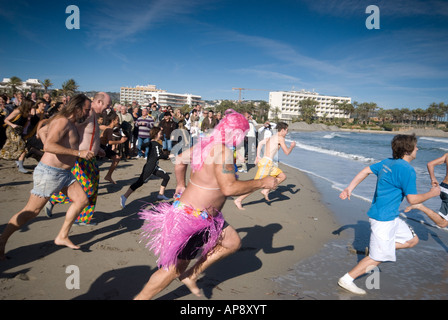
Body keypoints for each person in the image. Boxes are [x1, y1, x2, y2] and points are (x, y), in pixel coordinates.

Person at [134, 109, 278, 299]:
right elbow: (229, 188)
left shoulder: (206, 145)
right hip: (192, 218)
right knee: (172, 269)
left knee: (231, 242)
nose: (243, 138)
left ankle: (191, 275)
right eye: (242, 134)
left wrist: (180, 184)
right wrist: (263, 182)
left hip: (204, 216)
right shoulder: (223, 151)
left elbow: (179, 160)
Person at [337, 134, 440, 295]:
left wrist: (350, 188)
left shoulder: (387, 162)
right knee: (377, 257)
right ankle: (347, 279)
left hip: (390, 216)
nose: (417, 149)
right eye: (416, 146)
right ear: (408, 149)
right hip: (382, 219)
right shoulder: (408, 170)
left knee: (411, 240)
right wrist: (432, 193)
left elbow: (365, 170)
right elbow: (412, 199)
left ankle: (378, 249)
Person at [0, 94, 95, 260]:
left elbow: (43, 130)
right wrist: (77, 153)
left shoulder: (67, 122)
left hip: (65, 173)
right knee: (31, 211)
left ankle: (62, 236)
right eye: (87, 110)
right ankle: (1, 241)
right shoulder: (62, 121)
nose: (88, 114)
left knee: (82, 200)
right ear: (77, 108)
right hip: (50, 173)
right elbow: (49, 146)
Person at [45, 92, 110, 225]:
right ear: (99, 102)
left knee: (93, 188)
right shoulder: (88, 114)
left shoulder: (93, 115)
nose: (108, 108)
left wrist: (98, 149)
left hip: (90, 158)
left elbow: (90, 135)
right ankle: (54, 198)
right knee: (87, 188)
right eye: (107, 105)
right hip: (80, 158)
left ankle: (83, 219)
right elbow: (69, 126)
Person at [234, 122, 296, 210]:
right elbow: (286, 152)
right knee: (255, 185)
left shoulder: (271, 137)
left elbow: (260, 144)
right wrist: (292, 146)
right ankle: (239, 200)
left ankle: (266, 190)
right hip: (266, 164)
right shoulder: (280, 138)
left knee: (282, 176)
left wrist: (258, 156)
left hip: (268, 163)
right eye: (286, 130)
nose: (287, 132)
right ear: (282, 130)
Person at [120, 127, 171, 208]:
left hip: (153, 166)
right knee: (140, 182)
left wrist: (143, 149)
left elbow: (143, 145)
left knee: (166, 177)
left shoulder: (151, 142)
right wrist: (168, 156)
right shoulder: (156, 144)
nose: (161, 134)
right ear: (156, 134)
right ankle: (124, 196)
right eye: (160, 133)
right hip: (150, 167)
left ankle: (161, 194)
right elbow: (159, 155)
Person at [405, 153, 448, 228]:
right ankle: (420, 206)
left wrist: (433, 179)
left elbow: (430, 164)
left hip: (443, 187)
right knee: (443, 223)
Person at [0, 97, 34, 173]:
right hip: (11, 130)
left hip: (19, 131)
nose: (32, 107)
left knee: (10, 147)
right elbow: (6, 120)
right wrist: (13, 125)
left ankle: (20, 165)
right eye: (31, 105)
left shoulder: (26, 113)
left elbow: (25, 124)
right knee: (21, 145)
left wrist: (28, 119)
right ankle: (20, 165)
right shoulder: (18, 111)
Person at [100, 112, 128, 184]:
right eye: (117, 120)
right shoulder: (109, 129)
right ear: (113, 121)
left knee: (117, 158)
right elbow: (109, 142)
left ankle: (108, 176)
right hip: (99, 147)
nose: (118, 122)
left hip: (103, 147)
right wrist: (120, 141)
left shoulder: (108, 128)